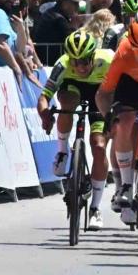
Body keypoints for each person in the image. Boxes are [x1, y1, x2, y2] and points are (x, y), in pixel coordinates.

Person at [37, 30, 113, 231]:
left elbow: (120, 91)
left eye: (85, 61)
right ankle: (62, 152)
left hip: (100, 93)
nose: (80, 67)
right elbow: (44, 96)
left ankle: (95, 208)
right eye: (75, 62)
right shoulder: (62, 64)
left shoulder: (108, 60)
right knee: (66, 102)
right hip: (73, 89)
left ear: (93, 56)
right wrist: (45, 115)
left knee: (99, 146)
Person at [96, 20, 138, 223]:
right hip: (130, 84)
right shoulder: (123, 52)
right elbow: (103, 94)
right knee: (123, 122)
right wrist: (109, 120)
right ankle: (126, 185)